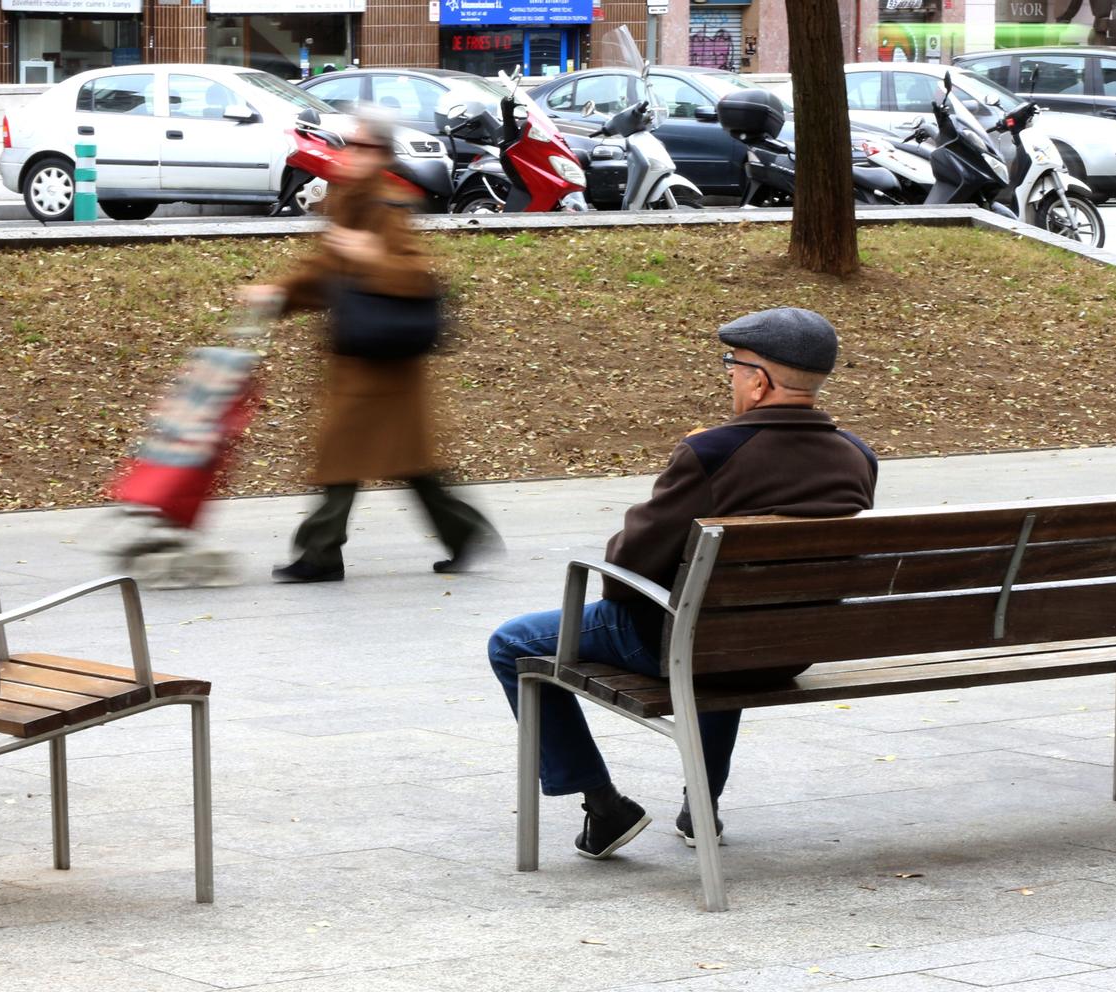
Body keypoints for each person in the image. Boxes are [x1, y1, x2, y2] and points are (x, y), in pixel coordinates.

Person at [487, 307, 878, 859]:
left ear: (759, 381)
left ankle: (603, 806)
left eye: (733, 365)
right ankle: (702, 806)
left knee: (512, 642)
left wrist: (687, 461)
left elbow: (629, 567)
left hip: (693, 642)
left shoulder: (713, 453)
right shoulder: (858, 455)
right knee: (726, 626)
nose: (729, 376)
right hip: (787, 647)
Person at [244, 109, 500, 583]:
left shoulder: (388, 206)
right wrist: (279, 294)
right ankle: (460, 532)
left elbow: (420, 276)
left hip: (387, 361)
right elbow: (323, 271)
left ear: (380, 154)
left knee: (361, 455)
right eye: (350, 144)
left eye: (363, 146)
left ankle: (322, 554)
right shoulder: (349, 202)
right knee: (395, 459)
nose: (352, 153)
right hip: (359, 355)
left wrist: (372, 257)